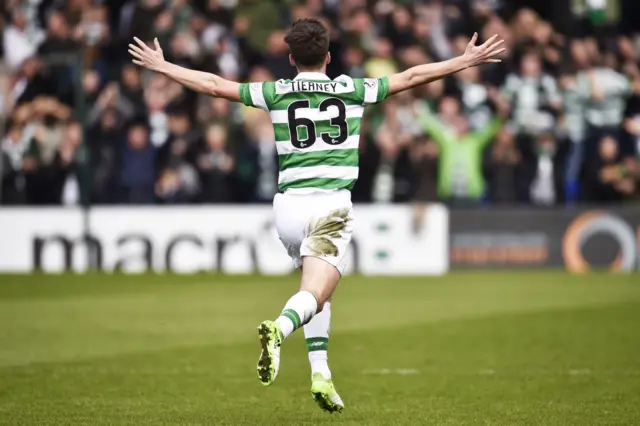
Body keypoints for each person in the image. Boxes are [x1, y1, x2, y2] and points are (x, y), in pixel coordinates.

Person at [128, 18, 505, 413]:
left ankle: (320, 373)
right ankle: (280, 328)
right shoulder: (352, 89)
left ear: (291, 59)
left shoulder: (275, 92)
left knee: (317, 291)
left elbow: (213, 85)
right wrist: (462, 61)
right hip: (330, 205)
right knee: (316, 292)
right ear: (328, 56)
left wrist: (164, 66)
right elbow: (411, 76)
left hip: (287, 208)